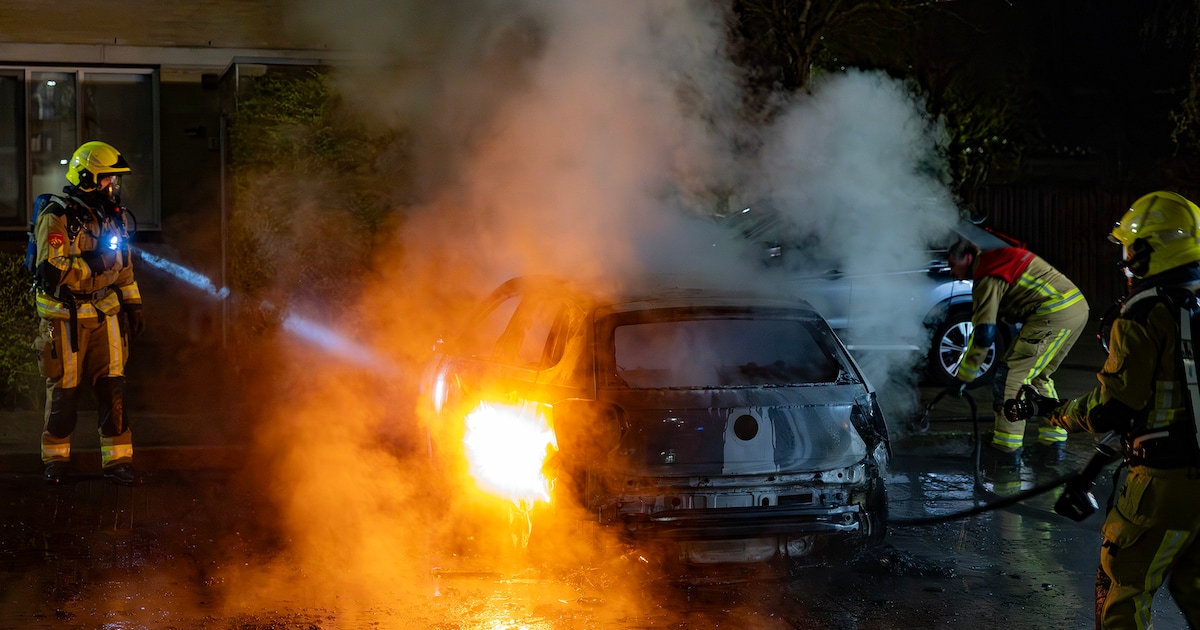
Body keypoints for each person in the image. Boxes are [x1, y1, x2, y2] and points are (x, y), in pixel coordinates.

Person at [1004, 190, 1200, 629]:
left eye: (1131, 249)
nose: (1126, 261)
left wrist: (1054, 411)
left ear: (1150, 250)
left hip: (1163, 486)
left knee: (1123, 591)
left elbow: (1113, 408)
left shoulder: (1144, 314)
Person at [31, 141, 145, 486]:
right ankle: (55, 461)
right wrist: (92, 264)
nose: (114, 185)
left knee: (113, 387)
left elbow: (123, 267)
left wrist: (133, 303)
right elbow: (51, 269)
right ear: (87, 177)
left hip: (105, 314)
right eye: (108, 178)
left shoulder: (114, 216)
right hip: (65, 317)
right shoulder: (57, 215)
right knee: (64, 391)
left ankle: (118, 461)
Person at [946, 233, 1089, 463]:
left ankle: (1005, 449)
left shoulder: (988, 273)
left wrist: (964, 376)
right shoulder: (997, 260)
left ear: (968, 258)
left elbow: (984, 334)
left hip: (1053, 313)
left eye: (953, 265)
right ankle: (1052, 444)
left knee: (1010, 376)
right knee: (1038, 377)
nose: (952, 272)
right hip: (1075, 308)